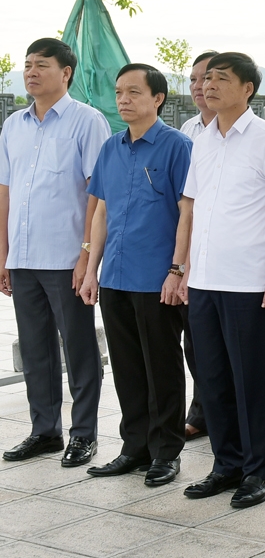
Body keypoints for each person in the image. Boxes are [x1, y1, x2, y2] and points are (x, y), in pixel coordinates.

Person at [179, 52, 265, 509]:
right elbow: (190, 207)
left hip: (248, 282)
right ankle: (225, 465)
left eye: (221, 79)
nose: (208, 86)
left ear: (248, 88)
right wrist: (183, 268)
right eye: (207, 79)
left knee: (249, 377)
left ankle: (259, 471)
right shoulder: (203, 139)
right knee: (210, 376)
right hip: (204, 279)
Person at [0, 38, 110, 468]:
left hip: (67, 257)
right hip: (23, 257)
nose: (31, 72)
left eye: (41, 65)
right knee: (35, 349)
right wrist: (4, 254)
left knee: (79, 348)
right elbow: (5, 192)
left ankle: (84, 434)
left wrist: (87, 256)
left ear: (66, 73)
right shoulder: (14, 125)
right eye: (27, 65)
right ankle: (44, 430)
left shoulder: (88, 121)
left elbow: (97, 195)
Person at [80, 64, 192, 486]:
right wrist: (92, 270)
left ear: (158, 98)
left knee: (161, 365)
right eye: (119, 92)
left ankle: (166, 451)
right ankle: (134, 447)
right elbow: (102, 212)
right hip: (116, 277)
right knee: (127, 366)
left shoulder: (177, 146)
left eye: (133, 92)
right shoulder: (111, 147)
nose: (123, 100)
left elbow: (188, 211)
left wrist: (177, 270)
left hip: (156, 276)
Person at [180, 50, 218, 440]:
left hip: (223, 254)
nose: (200, 87)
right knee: (195, 340)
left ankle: (208, 412)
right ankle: (201, 409)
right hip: (185, 247)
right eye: (194, 80)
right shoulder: (188, 131)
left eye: (208, 78)